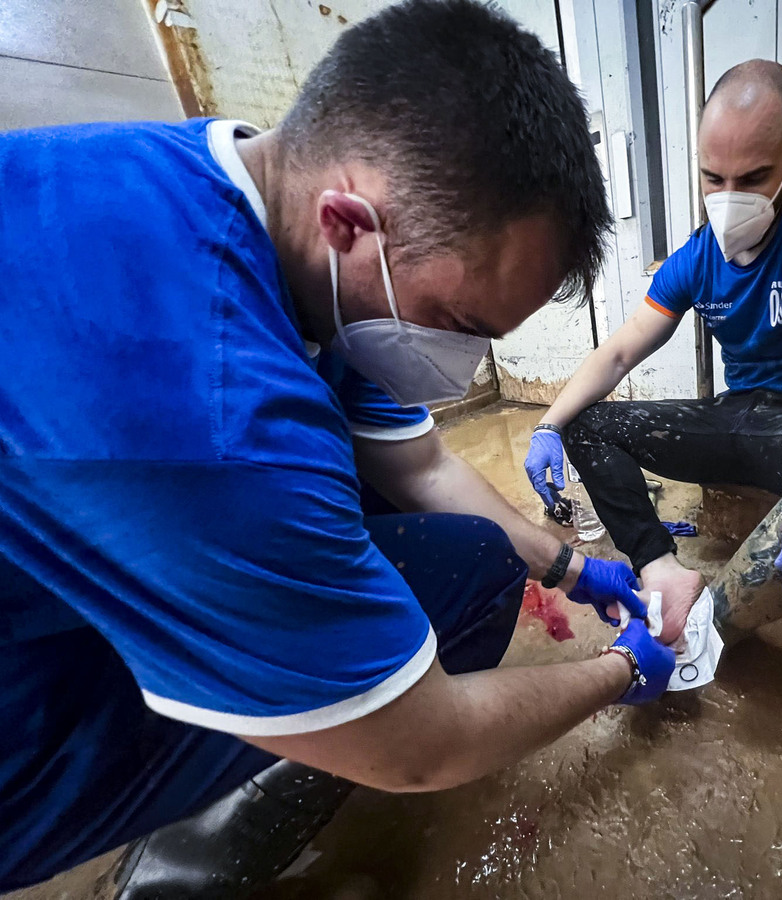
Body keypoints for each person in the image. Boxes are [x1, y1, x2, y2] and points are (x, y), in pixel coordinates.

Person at [0, 2, 678, 896]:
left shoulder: (232, 197)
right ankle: (190, 853)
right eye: (458, 325)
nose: (461, 364)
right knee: (373, 701)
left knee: (471, 564)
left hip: (57, 556)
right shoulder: (222, 413)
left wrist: (572, 569)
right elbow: (422, 747)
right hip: (22, 728)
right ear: (348, 222)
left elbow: (420, 467)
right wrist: (623, 667)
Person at [525, 60, 782, 644]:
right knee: (586, 425)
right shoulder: (697, 257)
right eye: (713, 178)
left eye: (752, 176)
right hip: (737, 417)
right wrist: (547, 426)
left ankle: (710, 635)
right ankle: (661, 571)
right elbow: (619, 351)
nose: (728, 197)